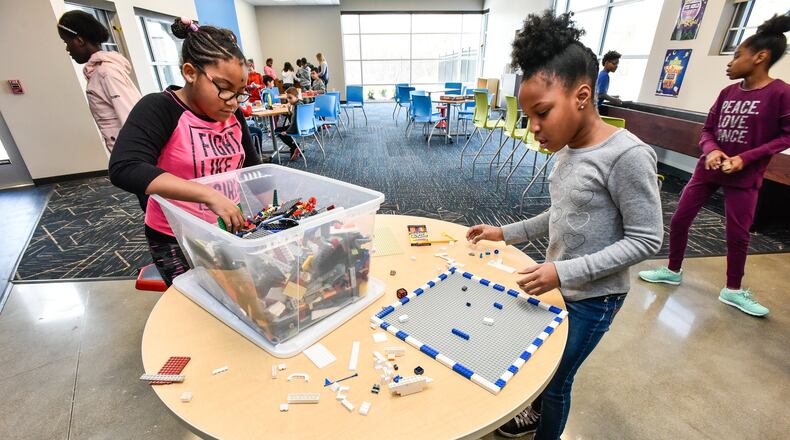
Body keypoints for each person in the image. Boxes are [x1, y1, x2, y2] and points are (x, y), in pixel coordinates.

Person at [466, 11, 663, 439]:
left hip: (595, 298)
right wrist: (505, 232)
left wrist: (563, 271)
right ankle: (532, 411)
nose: (533, 128)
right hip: (559, 285)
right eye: (526, 116)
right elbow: (562, 214)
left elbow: (647, 239)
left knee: (556, 382)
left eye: (542, 113)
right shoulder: (568, 149)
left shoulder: (627, 156)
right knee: (538, 365)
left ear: (582, 95)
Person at [639, 14, 790, 317]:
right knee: (680, 218)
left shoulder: (780, 93)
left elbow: (786, 135)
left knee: (738, 234)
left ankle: (732, 290)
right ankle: (673, 269)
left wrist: (744, 158)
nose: (730, 63)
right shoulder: (727, 93)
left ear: (760, 57)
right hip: (707, 170)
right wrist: (712, 150)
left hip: (745, 176)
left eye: (736, 56)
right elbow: (707, 130)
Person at [108, 17, 260, 285]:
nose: (234, 102)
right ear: (190, 72)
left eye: (240, 93)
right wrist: (207, 194)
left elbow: (252, 166)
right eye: (224, 89)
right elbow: (125, 166)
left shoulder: (232, 114)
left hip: (224, 229)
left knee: (238, 295)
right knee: (196, 302)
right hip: (174, 236)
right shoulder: (160, 108)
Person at [57, 10, 141, 153]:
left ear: (79, 40)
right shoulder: (98, 72)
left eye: (67, 42)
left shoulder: (106, 73)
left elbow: (131, 117)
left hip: (131, 155)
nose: (67, 48)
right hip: (123, 153)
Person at [274, 87, 303, 162]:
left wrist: (287, 132)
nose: (288, 100)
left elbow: (293, 123)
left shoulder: (296, 106)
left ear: (296, 97)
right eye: (287, 98)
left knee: (279, 132)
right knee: (278, 129)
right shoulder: (301, 103)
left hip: (296, 128)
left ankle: (294, 147)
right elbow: (293, 120)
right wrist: (289, 111)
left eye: (290, 98)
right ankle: (295, 146)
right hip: (303, 126)